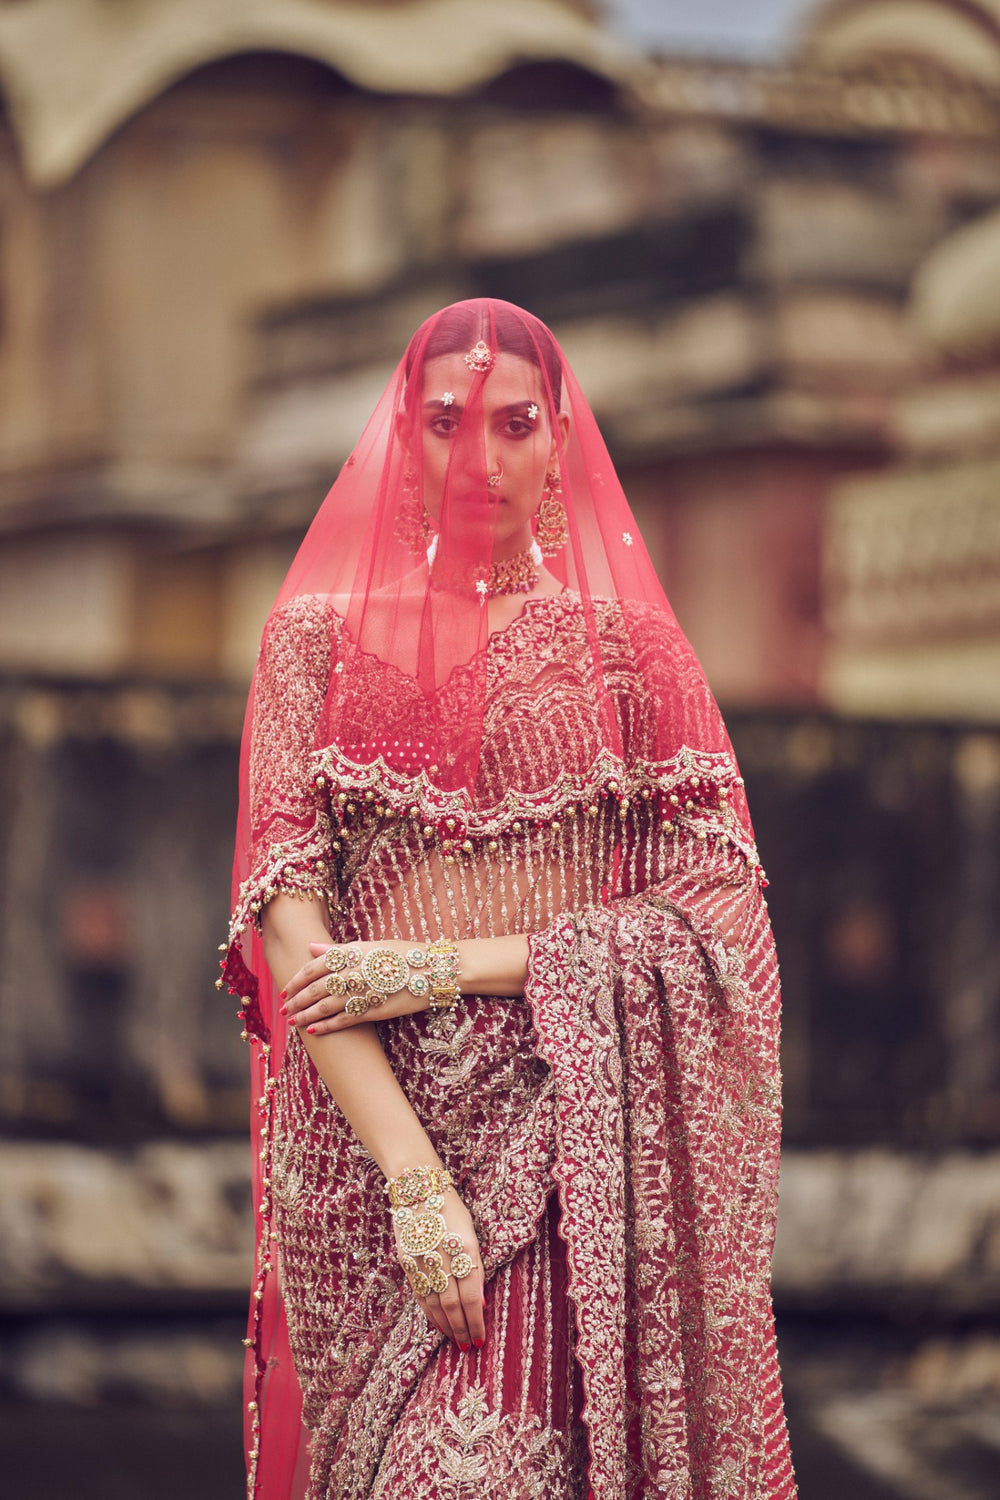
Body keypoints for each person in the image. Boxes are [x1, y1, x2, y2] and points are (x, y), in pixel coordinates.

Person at [220, 299, 797, 1500]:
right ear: (400, 438)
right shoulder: (310, 647)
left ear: (562, 438)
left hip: (566, 1136)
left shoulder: (632, 654)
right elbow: (287, 914)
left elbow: (723, 921)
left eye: (513, 424)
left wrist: (444, 966)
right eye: (442, 424)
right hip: (362, 1157)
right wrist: (413, 1181)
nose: (478, 461)